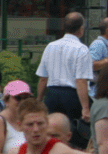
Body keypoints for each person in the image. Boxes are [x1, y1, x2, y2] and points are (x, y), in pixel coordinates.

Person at [36, 13, 94, 146]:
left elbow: (43, 78)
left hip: (52, 94)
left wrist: (39, 100)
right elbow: (81, 81)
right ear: (80, 29)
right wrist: (85, 108)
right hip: (72, 96)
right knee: (73, 135)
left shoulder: (50, 46)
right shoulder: (82, 49)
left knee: (51, 132)